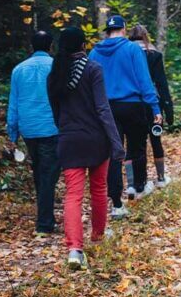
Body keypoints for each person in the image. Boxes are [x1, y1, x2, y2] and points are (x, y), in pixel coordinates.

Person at [47, 27, 124, 270]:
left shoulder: (55, 73)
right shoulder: (93, 69)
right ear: (83, 46)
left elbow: (55, 111)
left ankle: (74, 250)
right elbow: (103, 108)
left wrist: (66, 129)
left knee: (73, 194)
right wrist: (116, 141)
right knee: (99, 189)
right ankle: (98, 235)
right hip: (95, 139)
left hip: (69, 140)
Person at [89, 15, 162, 219]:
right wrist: (155, 107)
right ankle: (138, 187)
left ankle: (116, 203)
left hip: (105, 108)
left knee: (113, 153)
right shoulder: (132, 49)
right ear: (124, 29)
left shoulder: (95, 52)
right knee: (137, 147)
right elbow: (144, 80)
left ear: (107, 31)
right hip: (132, 105)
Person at [6, 31, 60, 236]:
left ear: (31, 46)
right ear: (50, 46)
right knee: (48, 174)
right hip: (51, 127)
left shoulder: (19, 70)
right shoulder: (56, 67)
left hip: (29, 129)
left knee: (40, 171)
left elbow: (14, 103)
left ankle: (46, 215)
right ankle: (44, 223)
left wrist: (12, 133)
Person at [127, 24, 174, 188]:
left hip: (132, 102)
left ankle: (133, 183)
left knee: (132, 144)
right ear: (146, 36)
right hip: (153, 102)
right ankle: (161, 178)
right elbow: (161, 83)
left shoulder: (125, 53)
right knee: (156, 140)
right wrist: (168, 110)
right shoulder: (154, 54)